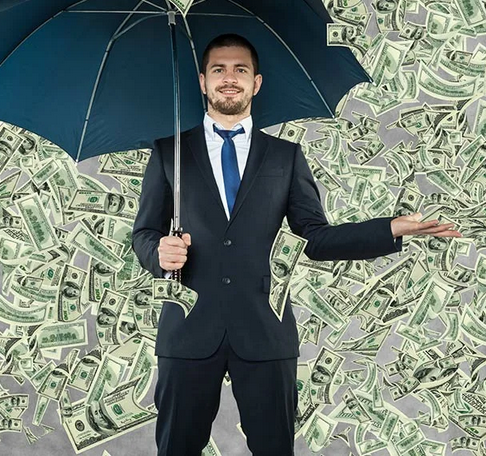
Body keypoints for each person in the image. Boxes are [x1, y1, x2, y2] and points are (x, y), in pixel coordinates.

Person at [131, 33, 462, 456]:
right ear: (201, 82)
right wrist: (158, 251)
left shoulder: (285, 157)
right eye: (218, 70)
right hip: (187, 332)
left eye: (240, 70)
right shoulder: (168, 153)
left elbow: (316, 239)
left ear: (257, 83)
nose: (229, 78)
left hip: (266, 332)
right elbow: (143, 234)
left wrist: (390, 229)